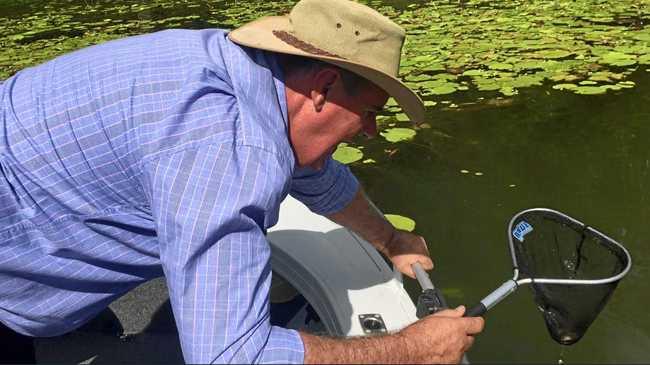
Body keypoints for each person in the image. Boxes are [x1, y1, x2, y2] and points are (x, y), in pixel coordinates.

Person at [0, 0, 484, 363]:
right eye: (372, 113)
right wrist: (410, 347)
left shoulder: (234, 67)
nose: (373, 131)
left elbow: (314, 173)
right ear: (322, 88)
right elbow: (232, 355)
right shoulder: (228, 153)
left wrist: (390, 238)